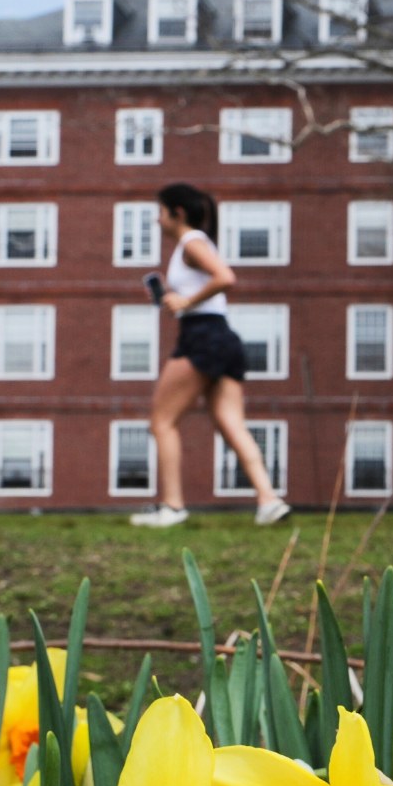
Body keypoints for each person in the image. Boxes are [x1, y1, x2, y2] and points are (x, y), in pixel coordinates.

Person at [134, 183, 287, 528]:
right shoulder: (194, 245)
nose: (157, 221)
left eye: (160, 212)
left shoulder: (191, 242)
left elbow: (225, 277)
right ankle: (269, 500)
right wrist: (180, 299)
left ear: (178, 213)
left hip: (202, 336)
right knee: (230, 422)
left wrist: (186, 302)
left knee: (162, 422)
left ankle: (172, 507)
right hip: (223, 337)